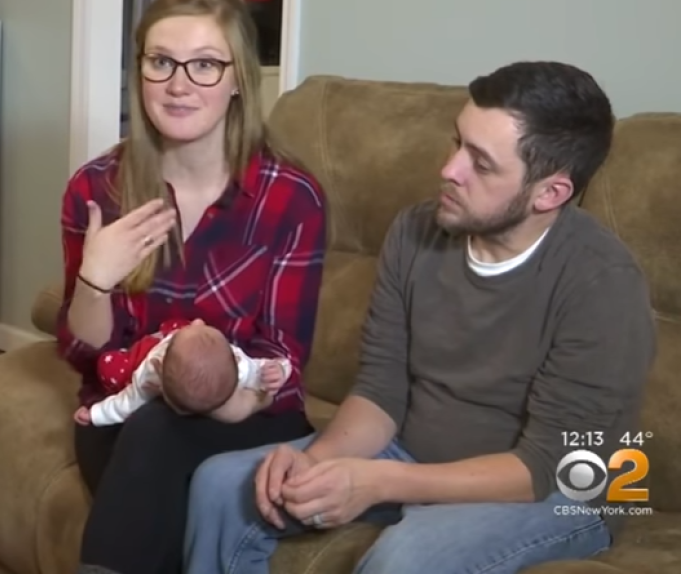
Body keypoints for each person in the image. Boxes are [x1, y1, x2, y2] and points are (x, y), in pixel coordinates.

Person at [183, 60, 658, 574]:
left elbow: (544, 467)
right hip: (414, 452)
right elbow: (380, 389)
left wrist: (377, 483)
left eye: (481, 163)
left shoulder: (602, 284)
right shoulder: (415, 231)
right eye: (457, 143)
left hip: (564, 491)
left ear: (550, 193)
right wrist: (316, 462)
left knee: (407, 556)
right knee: (221, 485)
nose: (450, 169)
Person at [55, 0, 327, 574]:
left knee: (159, 435)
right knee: (150, 433)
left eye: (205, 65)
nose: (179, 85)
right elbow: (84, 356)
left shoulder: (290, 198)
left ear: (238, 79)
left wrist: (214, 397)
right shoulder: (96, 188)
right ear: (140, 72)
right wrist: (95, 282)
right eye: (161, 62)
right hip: (125, 411)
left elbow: (282, 364)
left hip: (250, 410)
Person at [73, 318, 291, 426]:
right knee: (182, 327)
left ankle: (128, 356)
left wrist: (96, 414)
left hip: (144, 352)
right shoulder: (240, 366)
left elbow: (124, 404)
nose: (198, 321)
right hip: (177, 340)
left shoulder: (149, 375)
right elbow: (266, 369)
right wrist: (280, 368)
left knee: (113, 368)